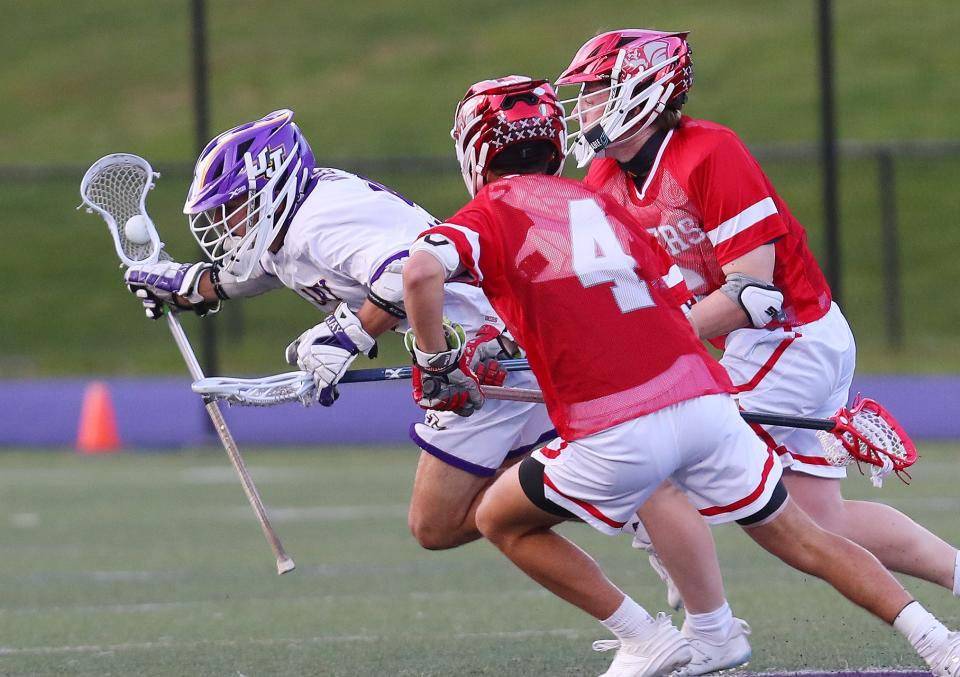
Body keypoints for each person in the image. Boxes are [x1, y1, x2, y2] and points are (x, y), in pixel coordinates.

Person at [401, 75, 960, 677]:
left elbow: (419, 274)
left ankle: (649, 636)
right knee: (808, 531)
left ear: (477, 150)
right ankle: (939, 644)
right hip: (702, 398)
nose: (587, 106)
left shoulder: (496, 211)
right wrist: (526, 347)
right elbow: (657, 304)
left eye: (595, 92)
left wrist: (438, 362)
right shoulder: (603, 201)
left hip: (660, 403)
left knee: (499, 517)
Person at [556, 24, 960, 636]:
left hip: (791, 337)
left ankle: (704, 623)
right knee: (824, 520)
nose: (583, 108)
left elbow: (753, 293)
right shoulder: (605, 183)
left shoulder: (709, 152)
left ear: (642, 89)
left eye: (596, 91)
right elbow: (605, 297)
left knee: (660, 441)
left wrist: (653, 344)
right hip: (758, 344)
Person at [122, 108, 555, 551]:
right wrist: (193, 286)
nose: (227, 224)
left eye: (233, 207)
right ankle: (599, 474)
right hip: (491, 337)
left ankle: (595, 473)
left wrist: (347, 335)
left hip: (486, 351)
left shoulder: (321, 221)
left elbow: (406, 271)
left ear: (272, 187)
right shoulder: (291, 218)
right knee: (510, 509)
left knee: (438, 524)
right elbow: (272, 267)